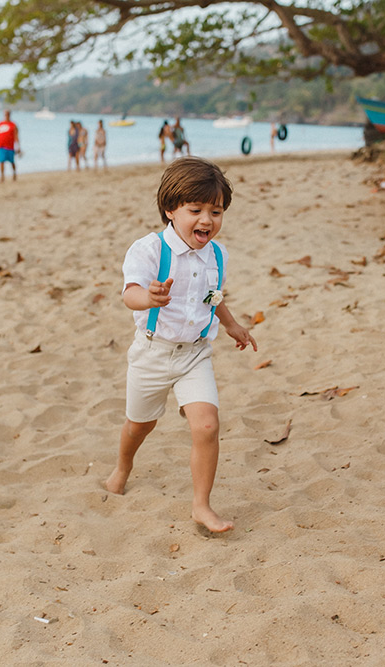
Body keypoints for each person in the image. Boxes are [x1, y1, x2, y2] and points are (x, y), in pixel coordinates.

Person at [107, 157, 257, 533]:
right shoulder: (149, 250)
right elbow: (130, 294)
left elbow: (213, 296)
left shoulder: (217, 255)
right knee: (139, 426)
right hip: (153, 352)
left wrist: (233, 325)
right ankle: (123, 467)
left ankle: (201, 506)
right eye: (196, 210)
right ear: (170, 209)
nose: (206, 220)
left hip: (195, 355)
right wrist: (150, 298)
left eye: (216, 211)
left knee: (207, 426)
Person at [0, 110, 20, 182]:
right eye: (5, 114)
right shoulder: (0, 124)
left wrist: (18, 146)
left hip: (10, 146)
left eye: (7, 114)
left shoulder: (13, 125)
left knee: (12, 161)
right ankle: (2, 177)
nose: (6, 115)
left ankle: (14, 174)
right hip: (1, 146)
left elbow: (16, 136)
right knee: (1, 161)